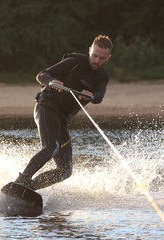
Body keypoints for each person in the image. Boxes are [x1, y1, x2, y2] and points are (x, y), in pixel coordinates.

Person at [15, 35, 113, 190]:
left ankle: (28, 189)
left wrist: (91, 96)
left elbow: (99, 97)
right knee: (51, 148)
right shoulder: (75, 62)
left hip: (62, 118)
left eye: (101, 58)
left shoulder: (102, 77)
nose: (96, 61)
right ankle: (21, 181)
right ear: (89, 51)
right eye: (94, 56)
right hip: (47, 107)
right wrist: (51, 82)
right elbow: (42, 75)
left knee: (65, 171)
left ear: (108, 58)